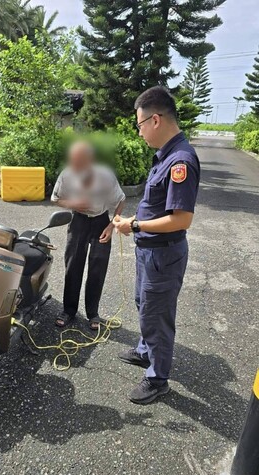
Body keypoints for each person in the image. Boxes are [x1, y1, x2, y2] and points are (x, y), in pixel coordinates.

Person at [113, 86, 201, 405]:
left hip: (163, 254)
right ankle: (144, 351)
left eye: (139, 125)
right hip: (149, 251)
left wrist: (134, 224)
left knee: (157, 315)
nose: (139, 133)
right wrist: (137, 219)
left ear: (155, 119)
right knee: (143, 302)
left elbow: (180, 219)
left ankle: (157, 378)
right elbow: (157, 206)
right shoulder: (165, 157)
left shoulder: (181, 161)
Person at [51, 140, 125, 330]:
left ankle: (93, 313)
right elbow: (55, 198)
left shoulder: (105, 175)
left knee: (97, 269)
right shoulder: (67, 175)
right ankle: (68, 311)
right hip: (78, 222)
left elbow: (120, 200)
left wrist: (111, 226)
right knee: (73, 265)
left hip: (101, 220)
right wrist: (73, 204)